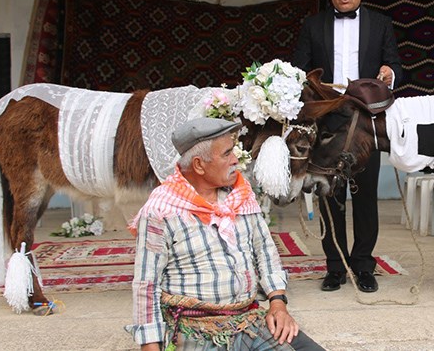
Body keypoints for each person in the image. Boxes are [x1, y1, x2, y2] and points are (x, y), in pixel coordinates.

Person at [125, 117, 324, 350]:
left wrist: (278, 304)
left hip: (247, 321)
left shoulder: (241, 194)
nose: (235, 161)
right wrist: (150, 346)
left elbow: (265, 252)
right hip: (195, 329)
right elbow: (146, 285)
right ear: (199, 165)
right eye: (227, 154)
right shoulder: (161, 210)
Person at [292, 0, 403, 293]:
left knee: (366, 196)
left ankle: (364, 266)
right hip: (327, 118)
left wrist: (389, 74)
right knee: (330, 196)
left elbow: (396, 66)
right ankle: (335, 266)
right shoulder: (312, 25)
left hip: (364, 120)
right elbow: (297, 69)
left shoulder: (381, 24)